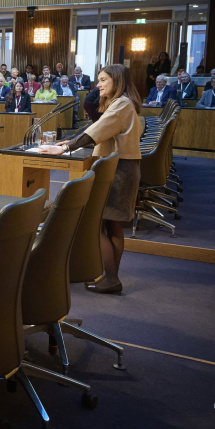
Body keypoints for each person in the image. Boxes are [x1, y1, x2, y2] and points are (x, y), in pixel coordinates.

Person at [40, 64, 143, 295]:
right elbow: (96, 127)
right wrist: (68, 141)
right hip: (121, 169)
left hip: (117, 172)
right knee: (112, 225)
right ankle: (111, 278)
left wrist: (66, 147)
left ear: (118, 81)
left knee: (95, 224)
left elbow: (99, 130)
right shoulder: (121, 103)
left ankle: (111, 277)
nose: (98, 85)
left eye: (103, 80)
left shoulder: (122, 104)